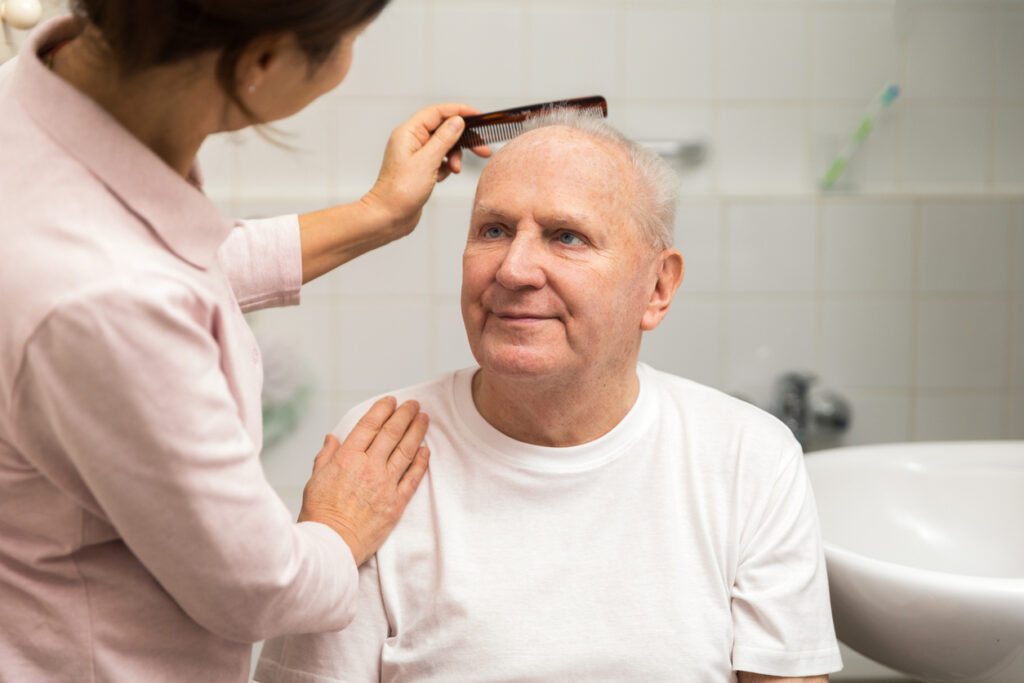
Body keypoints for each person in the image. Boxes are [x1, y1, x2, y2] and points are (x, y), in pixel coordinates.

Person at [256, 110, 844, 682]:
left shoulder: (751, 459)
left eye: (567, 237)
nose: (513, 270)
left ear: (658, 287)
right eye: (494, 230)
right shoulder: (384, 451)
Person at [0, 1, 489, 681]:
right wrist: (341, 528)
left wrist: (374, 215)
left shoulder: (32, 97)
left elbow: (161, 253)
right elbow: (255, 587)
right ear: (259, 62)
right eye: (349, 42)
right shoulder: (100, 298)